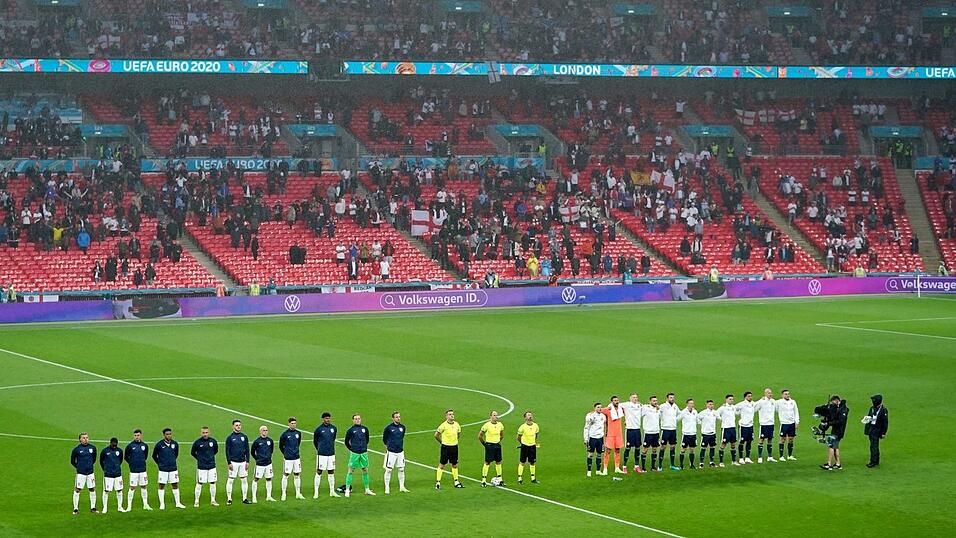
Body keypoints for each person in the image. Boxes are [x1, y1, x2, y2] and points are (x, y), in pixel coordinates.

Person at [152, 427, 186, 510]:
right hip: (163, 469)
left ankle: (178, 503)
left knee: (175, 484)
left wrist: (172, 461)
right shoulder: (159, 444)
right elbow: (154, 456)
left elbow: (176, 454)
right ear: (164, 435)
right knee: (161, 485)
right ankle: (162, 504)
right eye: (167, 434)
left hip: (173, 468)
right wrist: (160, 464)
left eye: (170, 434)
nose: (169, 435)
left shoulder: (175, 444)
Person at [343, 414, 375, 497]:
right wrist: (352, 449)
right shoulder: (350, 430)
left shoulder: (365, 429)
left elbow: (367, 439)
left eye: (359, 419)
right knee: (351, 470)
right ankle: (347, 490)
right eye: (356, 419)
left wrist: (363, 447)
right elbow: (346, 441)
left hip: (364, 453)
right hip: (355, 453)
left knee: (365, 470)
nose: (357, 420)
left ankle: (367, 489)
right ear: (353, 420)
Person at [191, 426, 219, 507]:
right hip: (201, 467)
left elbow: (215, 450)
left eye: (206, 432)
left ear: (209, 432)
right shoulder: (197, 442)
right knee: (199, 483)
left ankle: (213, 500)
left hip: (211, 466)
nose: (205, 434)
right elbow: (193, 452)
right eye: (203, 433)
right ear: (201, 433)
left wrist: (210, 458)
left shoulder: (213, 441)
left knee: (213, 482)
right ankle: (196, 501)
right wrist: (199, 459)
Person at [313, 412, 340, 498]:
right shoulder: (319, 429)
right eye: (326, 418)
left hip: (331, 454)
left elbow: (333, 438)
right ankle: (316, 492)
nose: (328, 419)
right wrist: (320, 449)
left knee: (331, 472)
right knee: (319, 472)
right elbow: (315, 441)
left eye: (329, 418)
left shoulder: (333, 428)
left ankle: (332, 491)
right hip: (322, 454)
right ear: (323, 419)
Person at [435, 409, 464, 489]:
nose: (452, 416)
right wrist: (442, 442)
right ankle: (438, 482)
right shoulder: (443, 425)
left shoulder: (457, 425)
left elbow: (458, 434)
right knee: (442, 465)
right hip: (445, 447)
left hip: (454, 447)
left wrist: (454, 441)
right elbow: (436, 435)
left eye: (452, 414)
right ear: (446, 416)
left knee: (455, 464)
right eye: (450, 414)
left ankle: (456, 482)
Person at [124, 429, 153, 510]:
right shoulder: (130, 446)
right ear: (134, 436)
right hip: (133, 471)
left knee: (144, 486)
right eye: (135, 435)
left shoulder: (145, 446)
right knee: (132, 487)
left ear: (141, 435)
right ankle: (129, 506)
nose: (137, 437)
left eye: (138, 435)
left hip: (143, 470)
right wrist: (131, 463)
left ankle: (145, 504)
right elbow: (126, 457)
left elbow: (145, 456)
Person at [382, 411, 409, 494]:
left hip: (400, 452)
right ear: (393, 418)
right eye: (397, 417)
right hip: (391, 452)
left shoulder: (402, 427)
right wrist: (389, 446)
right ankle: (387, 487)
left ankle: (402, 487)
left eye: (399, 417)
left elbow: (402, 437)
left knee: (401, 469)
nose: (398, 418)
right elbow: (384, 438)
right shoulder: (388, 428)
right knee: (389, 470)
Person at [225, 419, 251, 505]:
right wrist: (229, 462)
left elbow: (247, 449)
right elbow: (227, 451)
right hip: (233, 462)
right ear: (233, 426)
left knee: (244, 480)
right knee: (231, 480)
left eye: (239, 425)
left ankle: (244, 498)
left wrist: (247, 461)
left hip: (243, 462)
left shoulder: (244, 437)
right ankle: (229, 499)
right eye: (236, 425)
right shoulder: (230, 438)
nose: (238, 426)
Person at [71, 433, 98, 515]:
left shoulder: (92, 448)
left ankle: (93, 508)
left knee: (92, 489)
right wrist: (79, 467)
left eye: (87, 437)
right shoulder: (76, 449)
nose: (85, 439)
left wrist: (88, 466)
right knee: (77, 489)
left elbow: (94, 459)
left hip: (90, 473)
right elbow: (72, 461)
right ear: (80, 440)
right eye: (83, 438)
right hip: (81, 473)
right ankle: (75, 509)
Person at [279, 417, 305, 500]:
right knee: (286, 475)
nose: (294, 425)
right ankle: (283, 493)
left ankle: (298, 493)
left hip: (296, 458)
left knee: (297, 474)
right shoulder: (285, 434)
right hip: (288, 459)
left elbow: (298, 443)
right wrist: (286, 453)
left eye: (295, 423)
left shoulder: (298, 433)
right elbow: (280, 446)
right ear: (289, 424)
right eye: (292, 423)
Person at [99, 437, 127, 513]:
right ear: (110, 443)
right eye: (113, 444)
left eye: (115, 444)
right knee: (106, 491)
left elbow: (120, 460)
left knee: (119, 490)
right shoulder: (105, 451)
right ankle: (105, 508)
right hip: (108, 475)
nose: (114, 445)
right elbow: (101, 461)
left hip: (118, 474)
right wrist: (105, 469)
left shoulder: (119, 451)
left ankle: (120, 507)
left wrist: (116, 467)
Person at [820, 396, 848, 471]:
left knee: (831, 446)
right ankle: (838, 464)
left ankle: (829, 464)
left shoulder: (843, 410)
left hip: (838, 431)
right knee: (835, 447)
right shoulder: (839, 408)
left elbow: (840, 421)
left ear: (836, 401)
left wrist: (829, 423)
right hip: (836, 430)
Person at [479, 410, 505, 486]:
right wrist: (485, 444)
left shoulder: (500, 425)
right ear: (490, 416)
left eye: (496, 415)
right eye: (494, 415)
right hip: (489, 446)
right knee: (487, 462)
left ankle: (500, 479)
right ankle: (483, 480)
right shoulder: (486, 425)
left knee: (498, 462)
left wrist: (497, 441)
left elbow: (502, 435)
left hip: (497, 445)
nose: (496, 416)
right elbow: (480, 436)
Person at [250, 425, 277, 502]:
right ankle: (254, 497)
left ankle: (269, 496)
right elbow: (252, 452)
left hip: (268, 463)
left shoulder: (270, 441)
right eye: (263, 430)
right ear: (260, 431)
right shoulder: (257, 441)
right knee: (256, 479)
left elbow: (271, 450)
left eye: (266, 430)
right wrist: (257, 459)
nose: (265, 432)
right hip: (260, 464)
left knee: (269, 478)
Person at [600, 395, 625, 474]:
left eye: (617, 400)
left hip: (618, 433)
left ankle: (617, 468)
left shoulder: (621, 409)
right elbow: (600, 410)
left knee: (618, 450)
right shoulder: (608, 410)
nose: (616, 402)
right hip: (610, 434)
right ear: (611, 402)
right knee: (608, 451)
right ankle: (605, 468)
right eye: (614, 400)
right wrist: (608, 407)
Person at [638, 396, 662, 473]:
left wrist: (658, 409)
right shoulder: (645, 408)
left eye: (656, 401)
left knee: (654, 449)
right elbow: (638, 408)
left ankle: (653, 467)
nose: (655, 402)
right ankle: (643, 467)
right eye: (654, 401)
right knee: (645, 449)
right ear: (650, 401)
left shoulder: (658, 409)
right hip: (648, 432)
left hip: (656, 432)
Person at [864, 394, 889, 468]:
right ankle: (876, 460)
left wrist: (884, 433)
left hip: (877, 430)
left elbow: (885, 422)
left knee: (874, 446)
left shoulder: (883, 410)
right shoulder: (872, 408)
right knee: (874, 445)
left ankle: (873, 461)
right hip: (871, 429)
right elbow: (869, 417)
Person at [583, 402, 607, 477]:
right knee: (590, 454)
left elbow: (604, 426)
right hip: (592, 438)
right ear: (595, 408)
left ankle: (598, 470)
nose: (600, 409)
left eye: (600, 407)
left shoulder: (603, 416)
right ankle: (589, 471)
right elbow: (586, 427)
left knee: (599, 454)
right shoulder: (590, 416)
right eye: (598, 407)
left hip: (600, 438)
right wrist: (586, 439)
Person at [716, 394, 740, 467]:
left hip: (732, 428)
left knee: (733, 444)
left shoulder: (733, 407)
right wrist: (721, 419)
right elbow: (716, 413)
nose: (731, 400)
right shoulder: (723, 407)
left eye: (732, 399)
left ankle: (734, 461)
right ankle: (721, 462)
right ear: (726, 400)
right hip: (725, 428)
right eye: (730, 399)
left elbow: (737, 413)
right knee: (723, 444)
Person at [516, 411, 539, 484]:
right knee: (522, 462)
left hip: (532, 446)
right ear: (525, 418)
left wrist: (533, 442)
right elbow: (518, 437)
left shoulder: (536, 426)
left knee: (532, 462)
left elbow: (536, 435)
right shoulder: (522, 427)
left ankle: (533, 478)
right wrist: (522, 443)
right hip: (525, 446)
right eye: (528, 415)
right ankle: (519, 478)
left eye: (531, 415)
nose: (530, 416)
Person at [776, 389, 800, 461]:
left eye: (788, 394)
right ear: (782, 395)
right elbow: (773, 405)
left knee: (791, 439)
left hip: (792, 424)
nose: (787, 395)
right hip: (784, 423)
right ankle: (781, 456)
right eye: (785, 394)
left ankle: (790, 455)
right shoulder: (779, 402)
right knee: (782, 439)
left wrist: (797, 422)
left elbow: (796, 412)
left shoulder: (793, 402)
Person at [621, 393, 642, 472]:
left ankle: (636, 466)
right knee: (628, 448)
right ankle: (624, 466)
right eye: (633, 397)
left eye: (636, 397)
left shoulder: (639, 405)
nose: (635, 399)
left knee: (637, 448)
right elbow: (616, 405)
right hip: (630, 430)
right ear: (630, 398)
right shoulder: (626, 404)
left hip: (637, 429)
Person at [754, 388, 777, 463]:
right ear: (765, 394)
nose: (770, 394)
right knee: (761, 439)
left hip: (771, 424)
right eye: (769, 393)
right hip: (764, 424)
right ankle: (760, 457)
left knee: (770, 439)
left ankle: (770, 456)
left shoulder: (773, 401)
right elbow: (754, 408)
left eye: (771, 393)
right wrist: (759, 400)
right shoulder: (761, 402)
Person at [660, 393, 681, 471]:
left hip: (673, 429)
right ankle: (660, 466)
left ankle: (672, 465)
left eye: (673, 397)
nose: (672, 399)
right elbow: (658, 413)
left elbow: (680, 414)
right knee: (663, 447)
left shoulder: (675, 406)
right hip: (665, 429)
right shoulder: (663, 406)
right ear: (667, 398)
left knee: (673, 446)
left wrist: (675, 420)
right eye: (671, 397)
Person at [735, 391, 757, 464]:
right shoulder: (742, 404)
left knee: (749, 441)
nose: (750, 397)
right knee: (742, 441)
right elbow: (734, 408)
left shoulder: (753, 403)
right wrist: (738, 413)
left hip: (750, 426)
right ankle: (741, 458)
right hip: (743, 425)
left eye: (751, 396)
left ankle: (747, 457)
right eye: (749, 396)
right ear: (745, 397)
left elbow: (759, 403)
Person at [678, 399, 699, 469]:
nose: (692, 405)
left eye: (692, 403)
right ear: (687, 404)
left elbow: (698, 420)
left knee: (692, 450)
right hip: (686, 434)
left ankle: (692, 465)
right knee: (683, 449)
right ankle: (681, 465)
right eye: (690, 403)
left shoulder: (695, 412)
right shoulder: (683, 412)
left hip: (693, 433)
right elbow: (677, 419)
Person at [697, 400, 719, 467]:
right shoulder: (703, 412)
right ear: (707, 405)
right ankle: (701, 463)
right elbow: (697, 418)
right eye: (710, 404)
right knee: (703, 448)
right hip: (705, 433)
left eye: (712, 404)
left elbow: (719, 418)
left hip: (713, 433)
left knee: (712, 447)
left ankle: (711, 462)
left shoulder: (715, 412)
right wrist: (700, 424)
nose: (711, 405)